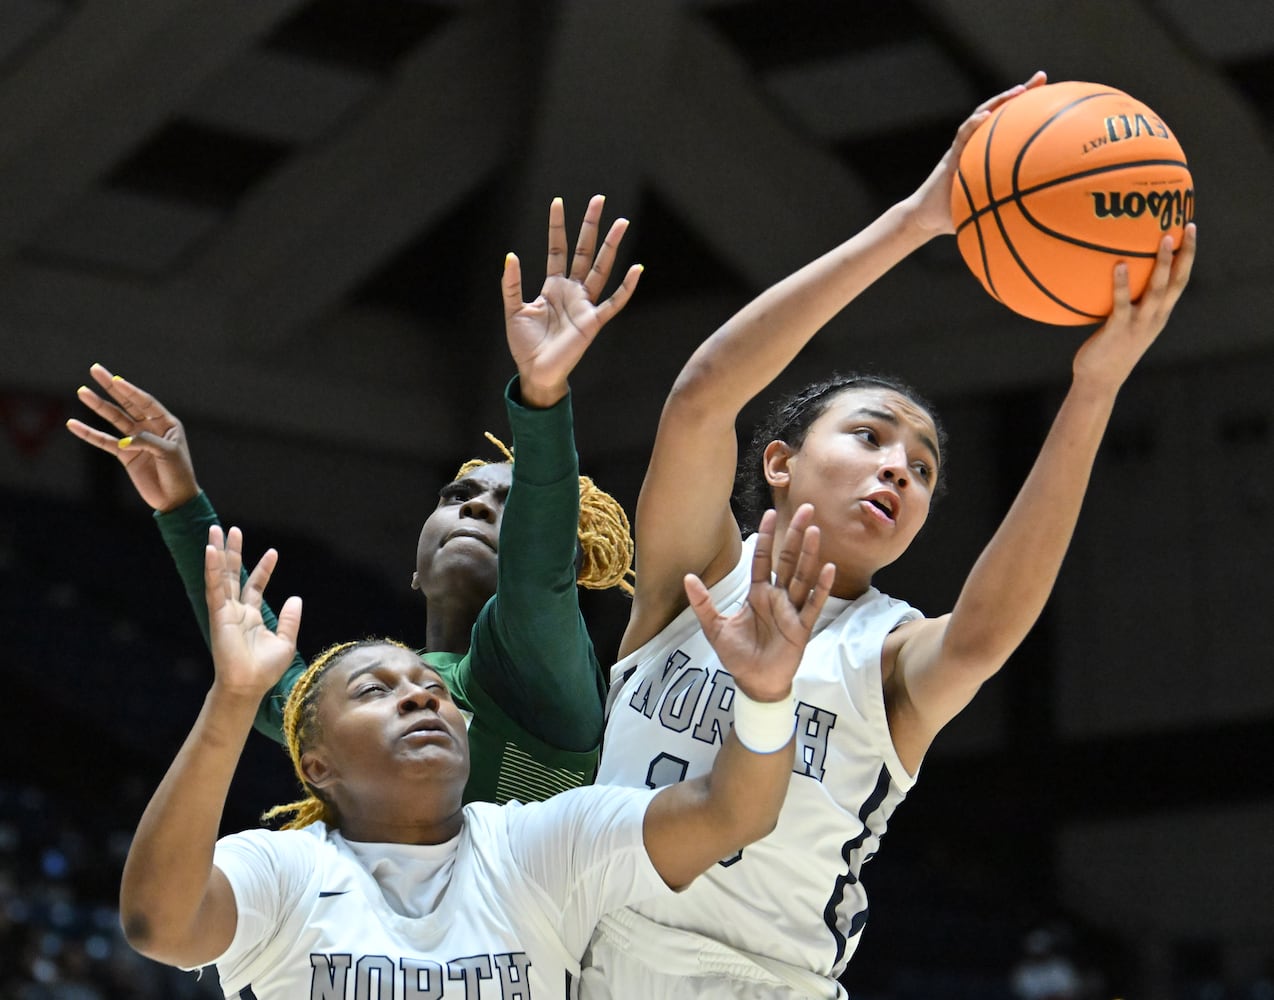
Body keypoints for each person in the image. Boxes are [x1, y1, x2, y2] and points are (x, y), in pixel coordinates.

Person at [581, 71, 1197, 999]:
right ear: (779, 463)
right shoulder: (695, 580)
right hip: (591, 963)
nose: (898, 469)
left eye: (921, 468)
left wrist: (1095, 389)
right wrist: (915, 219)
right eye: (868, 436)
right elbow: (702, 399)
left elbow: (988, 632)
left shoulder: (888, 657)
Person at [117, 504, 835, 997]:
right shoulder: (286, 869)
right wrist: (233, 702)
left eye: (432, 687)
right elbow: (159, 923)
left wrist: (768, 694)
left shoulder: (539, 846)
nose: (420, 696)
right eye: (373, 690)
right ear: (316, 765)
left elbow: (730, 813)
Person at [67, 195, 639, 805]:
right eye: (458, 494)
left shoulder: (539, 665)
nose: (476, 507)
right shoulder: (378, 695)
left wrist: (544, 393)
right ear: (414, 567)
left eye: (512, 503)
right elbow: (266, 682)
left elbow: (537, 569)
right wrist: (181, 505)